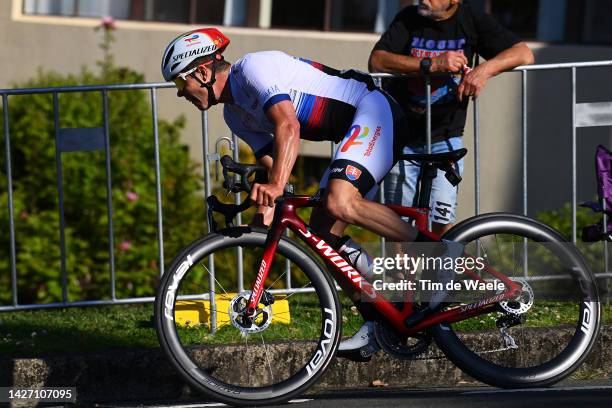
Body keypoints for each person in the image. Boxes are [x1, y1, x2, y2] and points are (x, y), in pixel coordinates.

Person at [161, 28, 433, 359]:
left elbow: (289, 127)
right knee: (321, 237)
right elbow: (276, 165)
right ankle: (380, 319)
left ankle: (440, 254)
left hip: (374, 111)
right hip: (352, 131)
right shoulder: (234, 114)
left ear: (203, 72)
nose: (179, 93)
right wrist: (265, 209)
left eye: (179, 83)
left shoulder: (252, 70)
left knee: (340, 201)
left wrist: (274, 187)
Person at [369, 0, 534, 235]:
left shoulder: (470, 19)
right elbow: (377, 61)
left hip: (445, 141)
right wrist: (431, 64)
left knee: (442, 217)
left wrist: (483, 70)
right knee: (397, 221)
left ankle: (442, 271)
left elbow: (524, 54)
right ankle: (402, 273)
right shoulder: (408, 17)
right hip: (401, 138)